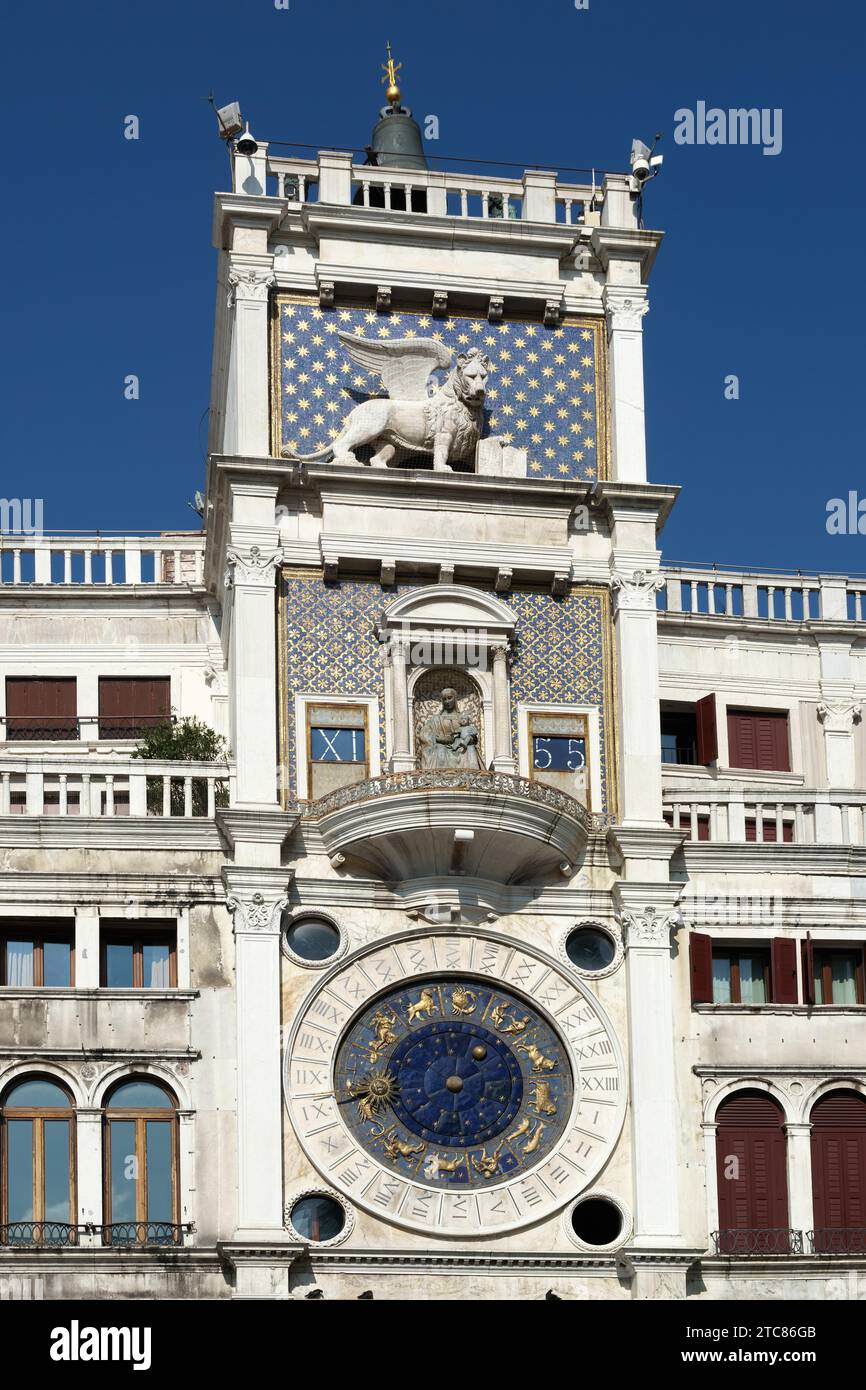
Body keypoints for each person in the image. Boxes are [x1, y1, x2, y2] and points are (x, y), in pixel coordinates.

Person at [417, 687, 482, 770]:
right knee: (440, 750)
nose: (447, 701)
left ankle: (472, 775)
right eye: (444, 699)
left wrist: (469, 739)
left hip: (461, 746)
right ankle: (439, 776)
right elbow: (424, 734)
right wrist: (440, 739)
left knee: (470, 748)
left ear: (455, 699)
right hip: (441, 747)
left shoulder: (463, 718)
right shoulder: (436, 719)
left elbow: (471, 734)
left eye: (449, 698)